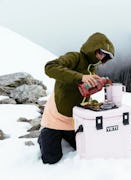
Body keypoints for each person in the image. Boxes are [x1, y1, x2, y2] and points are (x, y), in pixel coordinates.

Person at [38, 32, 115, 164]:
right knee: (51, 159)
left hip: (75, 119)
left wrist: (97, 86)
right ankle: (44, 134)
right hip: (56, 116)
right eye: (101, 53)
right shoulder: (75, 57)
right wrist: (81, 77)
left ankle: (65, 134)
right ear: (93, 48)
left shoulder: (92, 69)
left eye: (105, 56)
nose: (101, 58)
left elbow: (82, 91)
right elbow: (50, 67)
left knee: (85, 149)